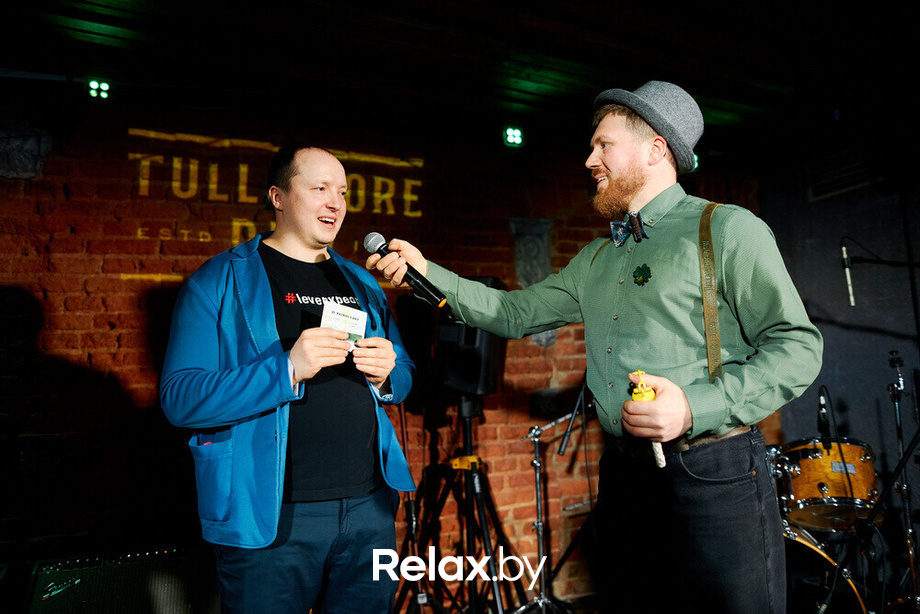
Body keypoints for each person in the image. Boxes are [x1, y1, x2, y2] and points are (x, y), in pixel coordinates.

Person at [367, 81, 823, 613]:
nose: (589, 159)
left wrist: (695, 406)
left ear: (655, 149)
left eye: (603, 145)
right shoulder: (596, 259)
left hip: (713, 475)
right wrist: (428, 274)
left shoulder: (725, 229)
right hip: (625, 480)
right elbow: (513, 313)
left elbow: (798, 346)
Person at [160, 144, 416, 613]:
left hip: (369, 509)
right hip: (271, 516)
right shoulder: (219, 279)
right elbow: (180, 397)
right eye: (319, 188)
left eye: (341, 191)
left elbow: (403, 372)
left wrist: (387, 375)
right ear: (278, 197)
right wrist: (286, 370)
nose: (335, 203)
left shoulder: (361, 283)